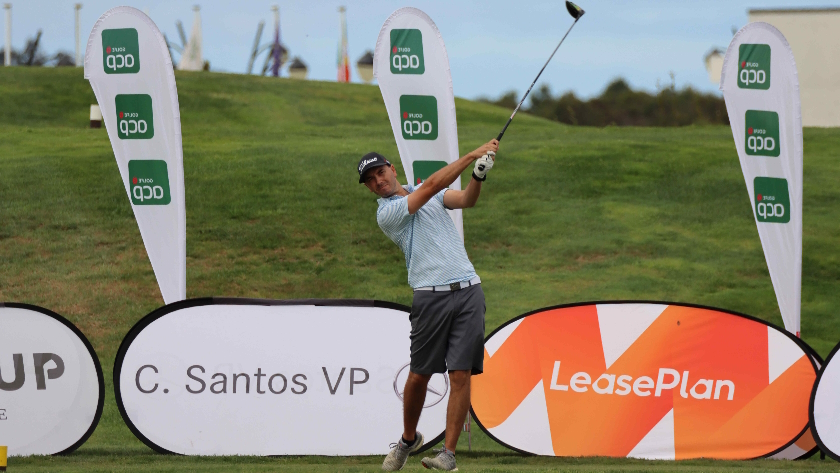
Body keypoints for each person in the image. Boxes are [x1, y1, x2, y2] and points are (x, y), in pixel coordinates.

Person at [357, 139, 499, 471]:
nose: (379, 181)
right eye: (371, 181)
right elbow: (435, 183)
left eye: (381, 173)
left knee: (461, 373)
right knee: (420, 375)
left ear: (392, 169)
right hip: (429, 295)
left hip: (468, 290)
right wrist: (471, 155)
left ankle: (448, 455)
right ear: (369, 189)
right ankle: (408, 440)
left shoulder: (429, 193)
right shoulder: (387, 213)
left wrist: (478, 175)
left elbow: (465, 200)